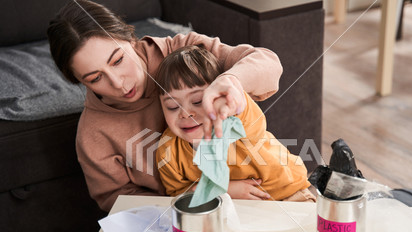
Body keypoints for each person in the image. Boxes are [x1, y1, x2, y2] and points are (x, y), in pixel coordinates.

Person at [47, 0, 283, 211]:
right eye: (95, 78)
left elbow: (268, 63)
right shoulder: (93, 134)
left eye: (118, 60)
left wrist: (232, 79)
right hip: (185, 218)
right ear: (79, 81)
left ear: (131, 39)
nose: (118, 83)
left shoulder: (184, 53)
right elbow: (117, 203)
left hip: (261, 192)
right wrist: (209, 191)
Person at [155, 45, 315, 202]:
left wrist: (229, 103)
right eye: (172, 106)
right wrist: (224, 189)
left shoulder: (235, 120)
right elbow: (177, 196)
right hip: (234, 209)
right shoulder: (167, 149)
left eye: (197, 101)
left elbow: (243, 110)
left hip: (288, 194)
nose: (185, 113)